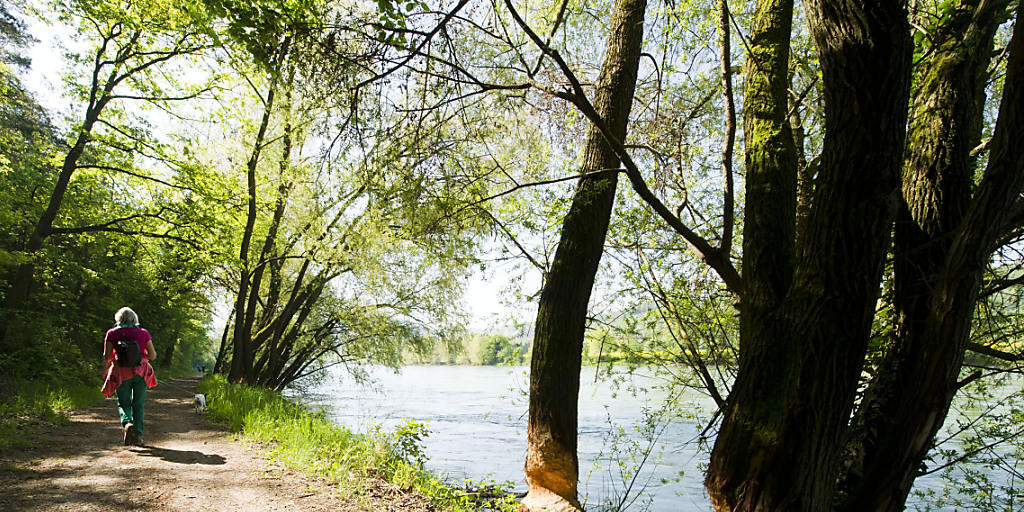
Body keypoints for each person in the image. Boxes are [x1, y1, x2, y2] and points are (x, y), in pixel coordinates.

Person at [100, 307, 158, 446]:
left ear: (118, 319)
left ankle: (127, 423)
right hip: (141, 372)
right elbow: (153, 356)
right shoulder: (143, 333)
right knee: (138, 404)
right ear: (134, 319)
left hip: (120, 372)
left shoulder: (111, 333)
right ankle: (138, 436)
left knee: (124, 402)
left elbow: (107, 356)